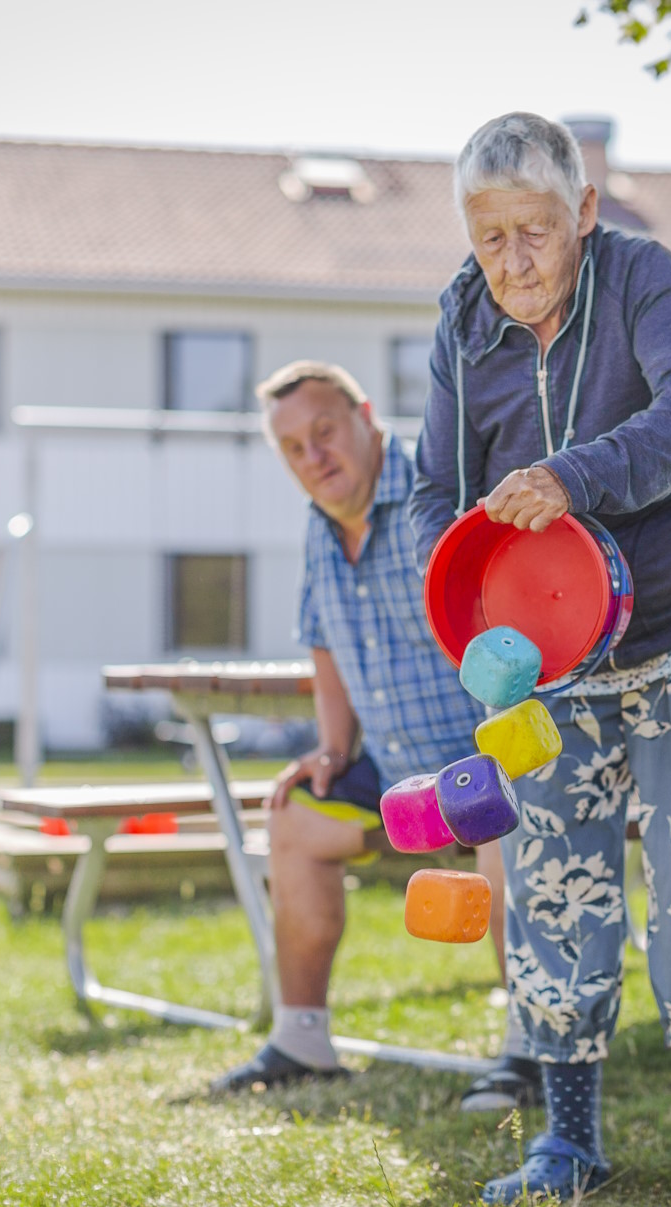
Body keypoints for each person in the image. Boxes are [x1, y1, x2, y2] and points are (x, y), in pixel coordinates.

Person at [408, 113, 671, 1207]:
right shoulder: (463, 321)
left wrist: (576, 474)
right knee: (553, 873)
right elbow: (438, 485)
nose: (513, 262)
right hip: (548, 648)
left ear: (583, 211)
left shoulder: (644, 279)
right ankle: (566, 1139)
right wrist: (464, 602)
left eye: (535, 230)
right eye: (489, 239)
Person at [210, 359, 540, 1111]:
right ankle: (301, 1038)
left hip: (488, 767)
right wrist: (332, 748)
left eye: (324, 432)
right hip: (400, 781)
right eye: (293, 448)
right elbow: (322, 637)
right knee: (294, 818)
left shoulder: (440, 495)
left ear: (367, 419)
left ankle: (530, 1051)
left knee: (502, 838)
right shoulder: (320, 529)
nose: (313, 457)